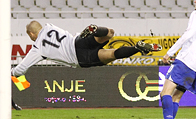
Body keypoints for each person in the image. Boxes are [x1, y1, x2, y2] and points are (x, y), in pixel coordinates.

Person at [11, 21, 161, 77]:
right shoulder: (51, 27)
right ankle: (96, 30)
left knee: (111, 55)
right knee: (110, 33)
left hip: (79, 57)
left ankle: (136, 48)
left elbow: (21, 69)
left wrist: (11, 73)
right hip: (78, 41)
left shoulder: (38, 47)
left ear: (31, 34)